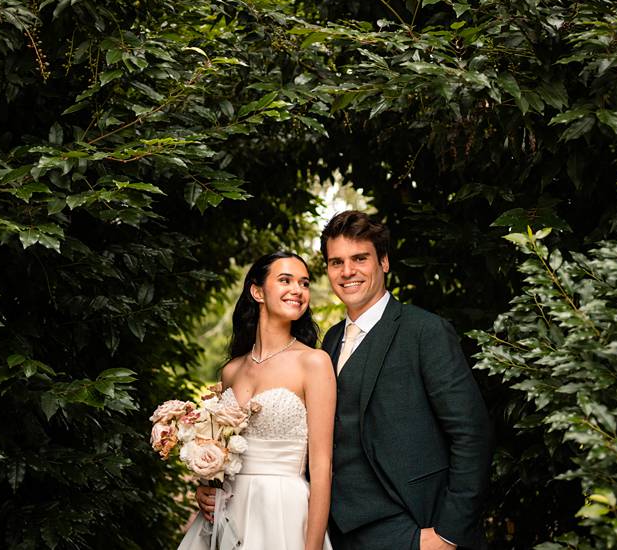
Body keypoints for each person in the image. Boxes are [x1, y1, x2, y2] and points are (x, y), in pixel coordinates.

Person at [201, 212, 492, 549]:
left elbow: (473, 434)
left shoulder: (425, 331)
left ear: (384, 262)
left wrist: (448, 533)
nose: (347, 271)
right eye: (336, 262)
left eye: (359, 259)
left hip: (412, 527)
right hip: (332, 531)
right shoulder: (330, 341)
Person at [179, 252, 336, 550]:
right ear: (257, 291)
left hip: (282, 511)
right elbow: (221, 450)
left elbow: (321, 465)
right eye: (285, 280)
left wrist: (313, 546)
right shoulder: (231, 370)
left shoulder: (314, 363)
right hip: (227, 511)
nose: (298, 290)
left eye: (304, 283)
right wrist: (205, 487)